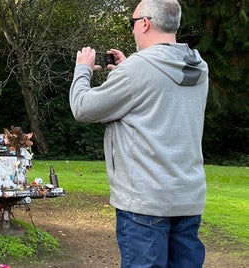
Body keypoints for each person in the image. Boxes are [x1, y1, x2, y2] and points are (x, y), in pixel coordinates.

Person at [69, 0, 209, 267]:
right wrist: (125, 70)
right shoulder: (199, 67)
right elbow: (156, 102)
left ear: (145, 23)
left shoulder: (137, 70)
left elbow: (83, 109)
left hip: (146, 204)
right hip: (188, 199)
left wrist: (82, 70)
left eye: (133, 22)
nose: (133, 29)